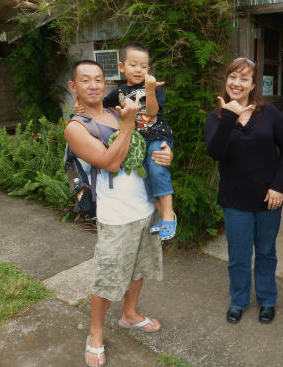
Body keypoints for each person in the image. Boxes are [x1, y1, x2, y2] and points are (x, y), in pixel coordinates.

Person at [65, 60, 173, 367]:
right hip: (115, 215)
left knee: (139, 268)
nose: (94, 85)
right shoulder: (76, 128)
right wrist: (127, 123)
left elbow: (150, 138)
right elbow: (110, 162)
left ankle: (130, 314)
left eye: (99, 79)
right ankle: (95, 333)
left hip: (144, 206)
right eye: (86, 80)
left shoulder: (115, 110)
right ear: (74, 86)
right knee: (108, 278)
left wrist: (167, 153)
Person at [204, 57, 283, 324]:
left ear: (253, 84)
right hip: (235, 200)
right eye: (233, 77)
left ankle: (267, 300)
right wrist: (229, 116)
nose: (237, 83)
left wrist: (279, 185)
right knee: (238, 255)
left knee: (266, 252)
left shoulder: (269, 113)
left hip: (270, 199)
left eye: (244, 78)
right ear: (227, 80)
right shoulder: (217, 116)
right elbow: (215, 152)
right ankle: (239, 300)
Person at [75, 42, 176, 240]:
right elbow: (101, 105)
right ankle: (163, 217)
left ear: (148, 69)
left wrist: (151, 90)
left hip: (157, 137)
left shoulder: (152, 88)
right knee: (146, 179)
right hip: (139, 142)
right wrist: (80, 107)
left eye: (143, 66)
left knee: (156, 170)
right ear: (122, 67)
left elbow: (153, 111)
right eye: (133, 65)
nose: (138, 70)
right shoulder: (119, 93)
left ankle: (169, 215)